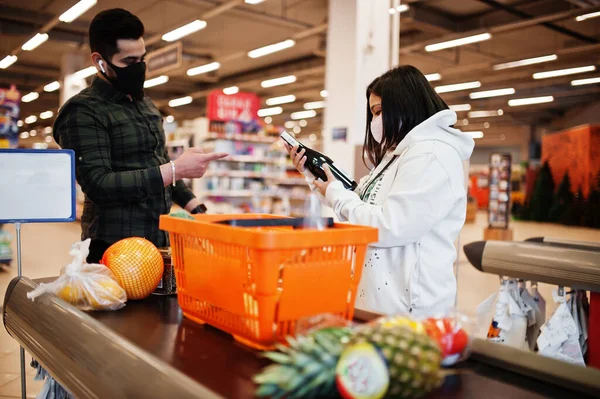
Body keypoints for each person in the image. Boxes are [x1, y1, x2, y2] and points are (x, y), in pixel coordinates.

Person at [287, 65, 474, 316]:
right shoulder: (398, 154)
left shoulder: (432, 155)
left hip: (410, 311)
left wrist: (338, 196)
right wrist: (316, 176)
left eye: (379, 111)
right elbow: (360, 199)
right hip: (381, 301)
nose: (375, 121)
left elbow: (390, 227)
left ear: (405, 105)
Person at [54, 9, 227, 263]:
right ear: (100, 61)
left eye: (142, 59)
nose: (140, 68)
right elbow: (99, 185)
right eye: (129, 62)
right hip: (112, 247)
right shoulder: (82, 112)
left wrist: (198, 210)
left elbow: (159, 163)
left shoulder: (144, 103)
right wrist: (176, 169)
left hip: (158, 239)